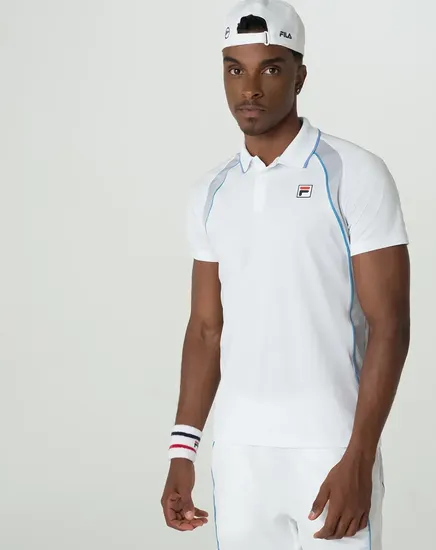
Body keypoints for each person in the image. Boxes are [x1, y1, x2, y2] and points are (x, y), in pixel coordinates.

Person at [160, 1, 410, 548]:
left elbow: (389, 324)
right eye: (235, 69)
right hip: (239, 453)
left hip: (331, 448)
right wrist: (183, 451)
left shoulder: (354, 173)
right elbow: (205, 329)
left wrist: (359, 457)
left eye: (269, 68)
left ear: (300, 76)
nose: (249, 88)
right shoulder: (211, 192)